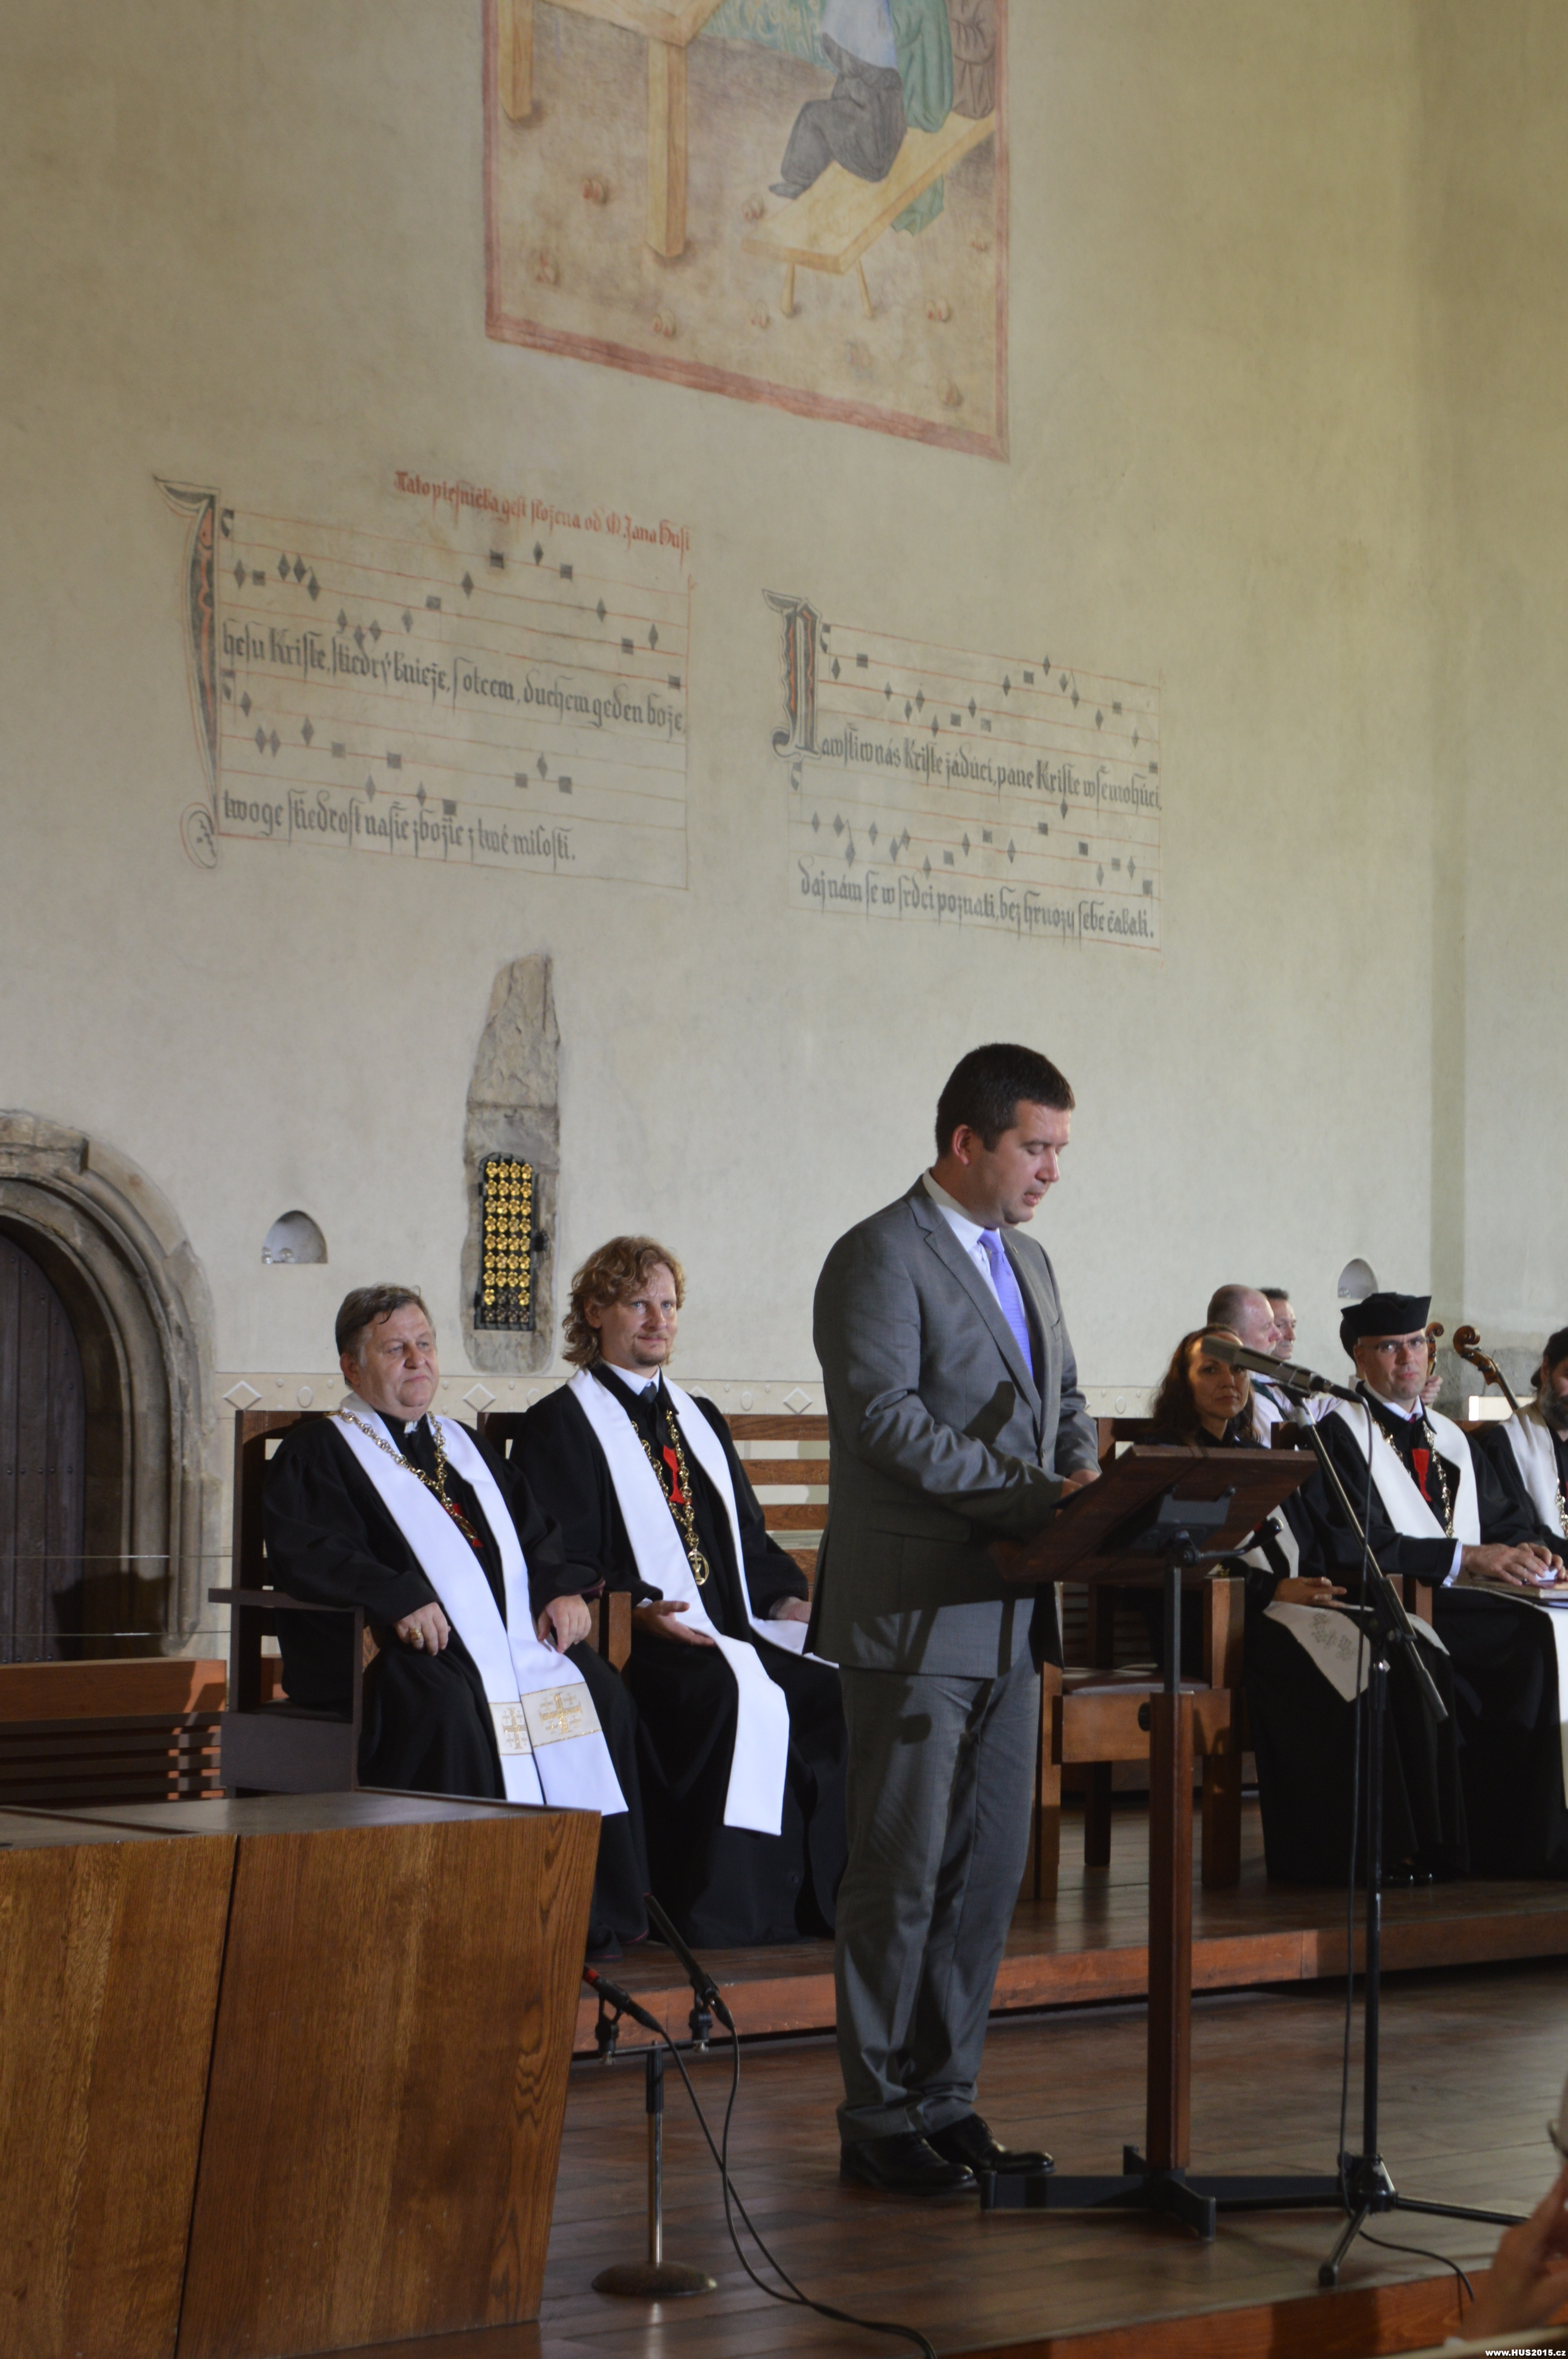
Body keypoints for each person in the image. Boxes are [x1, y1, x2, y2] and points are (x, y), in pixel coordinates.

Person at [812, 1041, 1101, 2197]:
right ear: (966, 1141)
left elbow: (1065, 1401)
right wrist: (1040, 1497)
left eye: (1060, 1150)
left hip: (1012, 1614)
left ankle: (945, 2098)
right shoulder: (880, 1254)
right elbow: (884, 1419)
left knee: (985, 1876)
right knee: (900, 1871)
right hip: (916, 1615)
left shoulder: (1030, 1261)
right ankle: (878, 2115)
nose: (1052, 1171)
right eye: (1037, 1147)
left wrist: (1084, 1479)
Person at [263, 1285, 648, 1952]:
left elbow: (537, 1533)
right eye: (395, 1349)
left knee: (600, 1692)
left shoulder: (462, 1445)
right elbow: (310, 1551)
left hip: (506, 1637)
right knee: (448, 1709)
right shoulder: (319, 1450)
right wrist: (393, 1597)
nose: (418, 1361)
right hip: (394, 1649)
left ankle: (584, 1910)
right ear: (352, 1368)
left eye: (425, 1345)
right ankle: (465, 1916)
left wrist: (559, 1590)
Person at [515, 1238, 847, 1950]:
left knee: (837, 1687)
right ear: (594, 1312)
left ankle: (822, 1904)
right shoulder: (559, 1425)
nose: (658, 1320)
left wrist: (785, 1602)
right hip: (645, 1641)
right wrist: (637, 1610)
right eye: (639, 1303)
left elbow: (748, 1536)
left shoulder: (699, 1417)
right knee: (725, 1695)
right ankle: (722, 1911)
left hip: (736, 1628)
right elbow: (562, 1556)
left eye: (668, 1305)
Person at [1151, 1326, 1467, 1882]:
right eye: (1211, 1370)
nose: (1230, 1380)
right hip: (1220, 1623)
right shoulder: (1169, 1459)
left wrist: (1316, 1585)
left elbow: (1315, 1540)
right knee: (1353, 1659)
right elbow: (1167, 1565)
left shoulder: (1261, 1457)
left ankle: (1424, 1842)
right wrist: (1271, 1591)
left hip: (1290, 1608)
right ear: (1182, 1383)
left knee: (1409, 1642)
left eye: (1239, 1369)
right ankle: (1352, 1854)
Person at [1313, 1292, 1568, 1877]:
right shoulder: (1338, 1434)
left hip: (1467, 1598)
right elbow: (1354, 1544)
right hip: (1398, 1602)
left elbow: (1504, 1521)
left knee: (1553, 1626)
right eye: (1390, 1347)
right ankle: (1516, 1841)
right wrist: (1466, 1556)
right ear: (1359, 1357)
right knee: (1530, 1642)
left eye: (1416, 1344)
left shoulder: (1451, 1437)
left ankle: (1542, 1829)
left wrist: (1532, 1552)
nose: (1409, 1358)